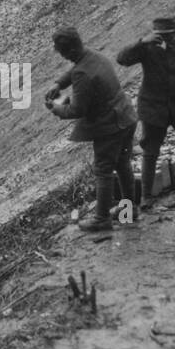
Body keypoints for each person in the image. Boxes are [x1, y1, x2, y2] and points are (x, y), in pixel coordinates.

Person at [44, 26, 138, 232]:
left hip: (110, 125)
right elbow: (78, 67)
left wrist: (56, 109)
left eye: (61, 53)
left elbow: (77, 109)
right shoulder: (94, 55)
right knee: (123, 164)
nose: (63, 57)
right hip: (126, 116)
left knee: (103, 170)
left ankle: (102, 219)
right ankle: (129, 212)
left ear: (68, 52)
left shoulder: (82, 74)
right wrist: (59, 83)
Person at [115, 17, 175, 209]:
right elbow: (122, 58)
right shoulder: (146, 49)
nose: (163, 40)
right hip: (153, 108)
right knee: (150, 152)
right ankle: (146, 197)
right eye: (159, 36)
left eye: (167, 36)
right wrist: (142, 42)